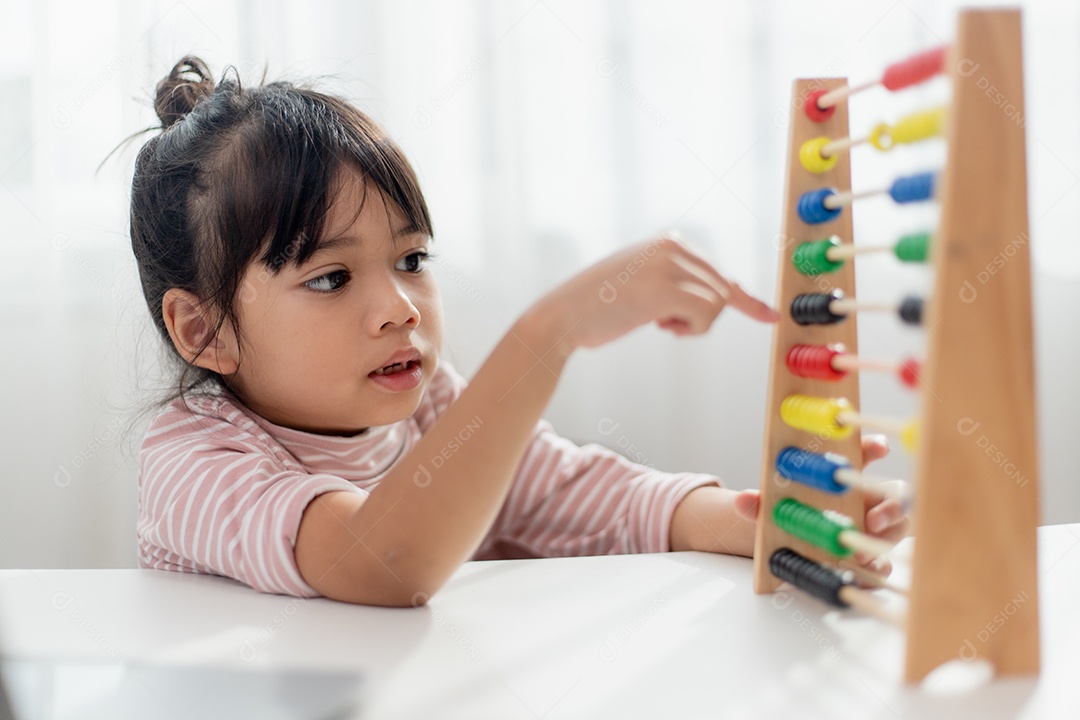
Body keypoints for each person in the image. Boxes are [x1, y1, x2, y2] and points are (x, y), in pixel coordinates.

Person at [131, 57, 906, 606]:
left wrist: (763, 521)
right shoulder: (193, 458)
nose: (400, 306)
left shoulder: (433, 403)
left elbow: (588, 496)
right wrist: (550, 330)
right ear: (202, 331)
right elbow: (383, 561)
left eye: (411, 257)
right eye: (331, 277)